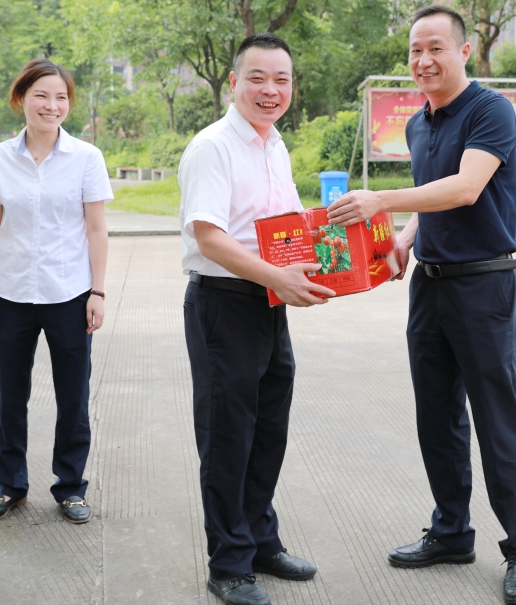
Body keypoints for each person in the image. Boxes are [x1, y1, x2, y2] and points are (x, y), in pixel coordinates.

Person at [327, 5, 516, 605]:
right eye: (415, 50)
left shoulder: (490, 110)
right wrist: (403, 238)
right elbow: (433, 198)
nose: (423, 60)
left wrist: (380, 200)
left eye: (436, 48)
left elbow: (467, 188)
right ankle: (451, 532)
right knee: (437, 416)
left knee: (496, 418)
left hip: (483, 286)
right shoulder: (419, 124)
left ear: (463, 51)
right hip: (430, 284)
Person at [179, 33, 335, 605]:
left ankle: (260, 542)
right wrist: (278, 278)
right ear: (234, 82)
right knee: (228, 438)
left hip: (269, 303)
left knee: (268, 431)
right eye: (258, 78)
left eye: (282, 79)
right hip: (224, 304)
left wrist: (348, 254)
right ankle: (228, 564)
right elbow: (210, 238)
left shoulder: (274, 145)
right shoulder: (213, 147)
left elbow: (286, 227)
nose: (271, 90)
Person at [0, 59, 113, 526]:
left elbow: (96, 229)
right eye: (42, 96)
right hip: (10, 295)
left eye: (61, 97)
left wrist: (97, 292)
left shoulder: (86, 158)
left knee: (73, 397)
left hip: (70, 294)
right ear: (21, 99)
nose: (52, 106)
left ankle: (70, 487)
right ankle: (9, 486)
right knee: (11, 396)